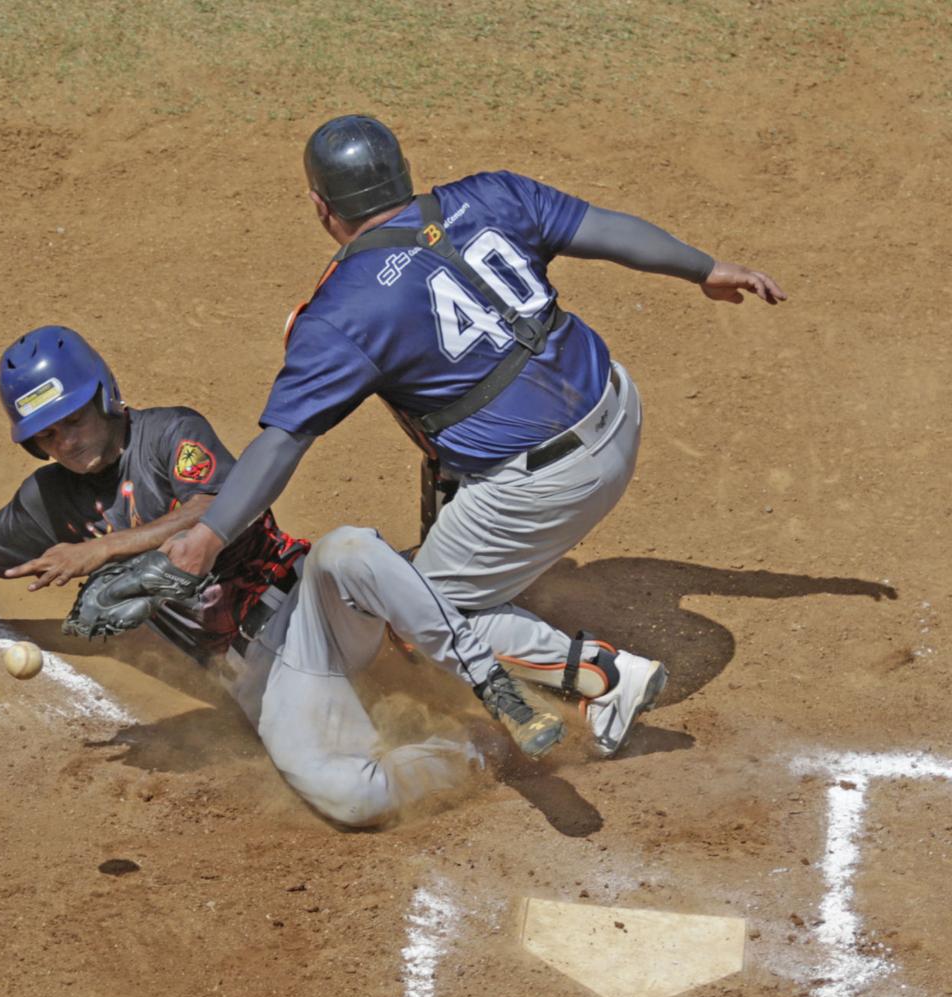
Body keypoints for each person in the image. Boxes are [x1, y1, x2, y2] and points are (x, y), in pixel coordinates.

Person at [0, 325, 598, 828]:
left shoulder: (169, 435)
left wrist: (106, 551)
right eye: (46, 433)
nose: (67, 441)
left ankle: (491, 683)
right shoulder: (47, 502)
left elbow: (222, 505)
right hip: (260, 674)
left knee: (353, 548)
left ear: (104, 396)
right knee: (349, 799)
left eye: (74, 417)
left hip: (310, 609)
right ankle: (478, 749)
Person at [162, 113, 787, 744]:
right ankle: (483, 567)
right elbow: (605, 230)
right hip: (618, 408)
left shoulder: (344, 311)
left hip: (550, 485)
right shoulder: (495, 194)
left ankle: (601, 674)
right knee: (455, 421)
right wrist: (703, 268)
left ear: (321, 207)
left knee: (412, 612)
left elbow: (284, 440)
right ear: (404, 174)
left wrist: (210, 536)